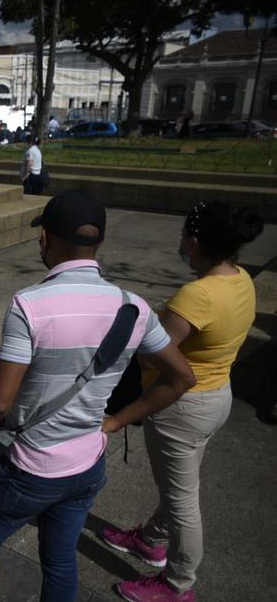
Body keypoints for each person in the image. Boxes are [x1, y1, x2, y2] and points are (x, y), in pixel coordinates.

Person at [0, 190, 196, 602]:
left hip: (31, 468)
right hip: (87, 465)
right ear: (99, 244)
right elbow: (182, 377)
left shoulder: (29, 306)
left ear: (45, 238)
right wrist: (116, 421)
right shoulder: (133, 307)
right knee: (61, 557)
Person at [102, 200, 263, 602]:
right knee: (179, 484)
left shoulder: (197, 295)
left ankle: (177, 585)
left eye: (182, 238)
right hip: (214, 397)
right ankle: (151, 539)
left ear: (194, 242)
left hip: (181, 407)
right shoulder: (240, 278)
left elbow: (153, 349)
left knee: (182, 500)